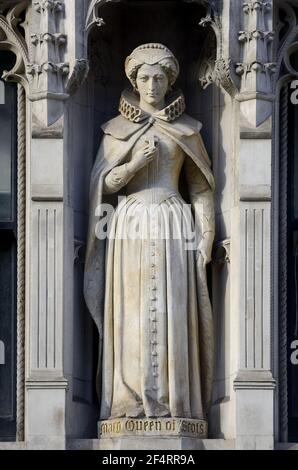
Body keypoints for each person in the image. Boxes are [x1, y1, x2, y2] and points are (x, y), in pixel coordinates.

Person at [84, 43, 215, 421]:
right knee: (131, 314)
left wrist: (206, 234)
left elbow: (201, 186)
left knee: (173, 310)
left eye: (159, 77)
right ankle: (128, 402)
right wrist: (134, 163)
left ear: (170, 81)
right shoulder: (115, 129)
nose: (152, 85)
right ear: (134, 81)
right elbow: (102, 185)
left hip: (175, 221)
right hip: (129, 225)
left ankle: (175, 403)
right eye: (145, 78)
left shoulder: (188, 130)